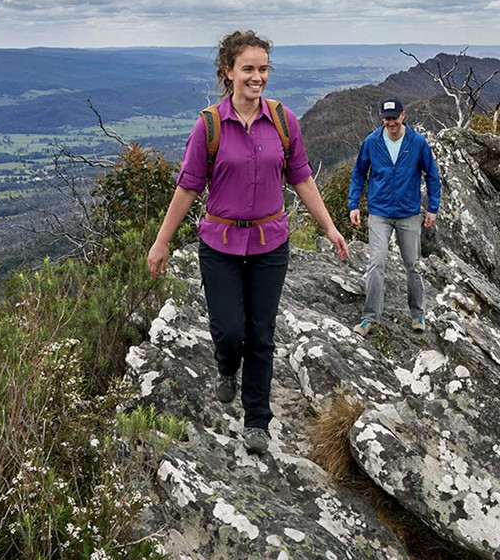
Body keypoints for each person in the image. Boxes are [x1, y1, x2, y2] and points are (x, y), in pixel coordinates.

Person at [148, 30, 349, 456]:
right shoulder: (209, 126)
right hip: (219, 242)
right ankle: (226, 366)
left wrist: (330, 228)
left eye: (262, 69)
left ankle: (257, 418)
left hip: (270, 244)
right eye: (248, 69)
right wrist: (161, 242)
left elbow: (302, 179)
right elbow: (186, 188)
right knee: (229, 330)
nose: (256, 78)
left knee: (261, 333)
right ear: (229, 71)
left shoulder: (282, 121)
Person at [347, 97, 440, 337]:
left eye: (395, 117)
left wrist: (432, 208)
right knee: (376, 263)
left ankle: (418, 315)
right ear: (382, 118)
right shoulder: (372, 141)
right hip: (379, 212)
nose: (391, 122)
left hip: (409, 213)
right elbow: (359, 173)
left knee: (413, 265)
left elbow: (432, 175)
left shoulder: (417, 142)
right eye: (387, 118)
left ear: (403, 115)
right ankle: (369, 318)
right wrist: (353, 204)